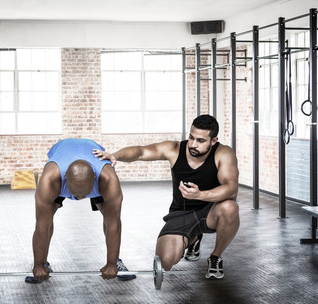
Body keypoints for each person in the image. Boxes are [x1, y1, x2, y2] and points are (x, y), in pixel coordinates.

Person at [93, 114, 239, 279]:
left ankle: (215, 257)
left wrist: (200, 195)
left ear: (213, 141)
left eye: (200, 141)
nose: (193, 144)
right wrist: (116, 156)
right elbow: (141, 152)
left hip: (211, 211)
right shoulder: (175, 149)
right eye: (191, 138)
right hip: (181, 213)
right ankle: (193, 238)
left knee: (230, 207)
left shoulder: (223, 153)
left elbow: (231, 188)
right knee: (165, 262)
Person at [29, 138, 136, 283]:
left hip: (94, 166)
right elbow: (41, 226)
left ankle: (116, 261)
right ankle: (43, 262)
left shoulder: (108, 179)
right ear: (65, 178)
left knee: (110, 217)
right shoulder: (50, 180)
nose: (79, 198)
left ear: (94, 177)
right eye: (76, 194)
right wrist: (38, 265)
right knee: (46, 219)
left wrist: (110, 264)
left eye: (84, 194)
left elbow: (113, 224)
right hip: (62, 154)